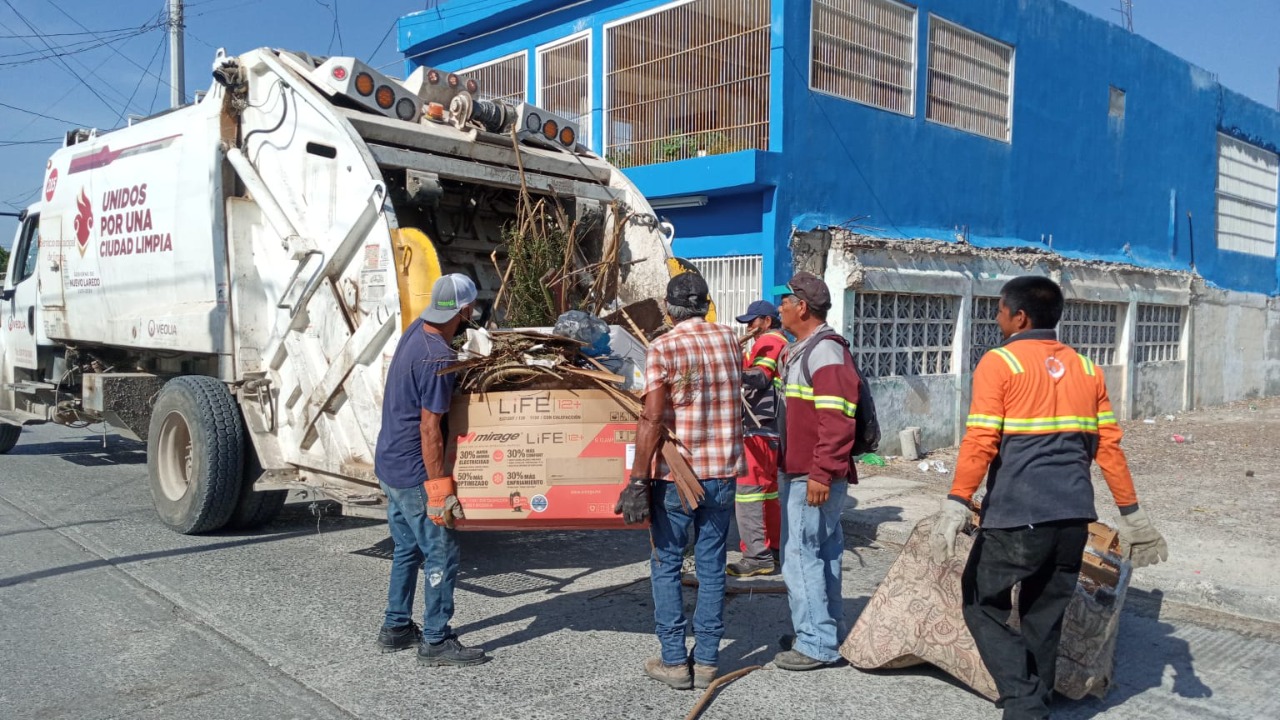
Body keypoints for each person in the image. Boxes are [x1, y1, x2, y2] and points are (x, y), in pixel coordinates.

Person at [930, 275, 1169, 719]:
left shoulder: (1000, 363)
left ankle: (1023, 701)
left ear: (1020, 316)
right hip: (1074, 518)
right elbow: (1109, 448)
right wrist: (1132, 516)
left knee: (980, 603)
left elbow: (981, 438)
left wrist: (956, 501)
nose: (997, 317)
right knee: (1043, 619)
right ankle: (1035, 702)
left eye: (1000, 310)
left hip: (1018, 516)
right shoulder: (1086, 368)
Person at [614, 272, 745, 691]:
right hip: (723, 473)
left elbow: (652, 417)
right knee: (712, 568)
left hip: (677, 476)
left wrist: (637, 481)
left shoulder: (663, 347)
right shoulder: (729, 340)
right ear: (706, 304)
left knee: (667, 564)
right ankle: (706, 660)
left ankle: (674, 661)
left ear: (669, 309)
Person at [373, 273, 490, 667]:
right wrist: (439, 488)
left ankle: (396, 627)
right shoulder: (438, 358)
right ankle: (436, 640)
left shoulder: (415, 333)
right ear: (465, 310)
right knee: (441, 551)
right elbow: (430, 429)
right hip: (412, 471)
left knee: (406, 547)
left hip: (388, 462)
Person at [772, 272, 861, 671]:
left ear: (802, 307)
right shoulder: (804, 349)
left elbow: (838, 419)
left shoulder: (824, 351)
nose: (780, 308)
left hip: (812, 474)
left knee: (801, 556)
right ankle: (827, 631)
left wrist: (822, 473)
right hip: (808, 471)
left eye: (785, 301)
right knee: (823, 553)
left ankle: (816, 643)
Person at [727, 300, 787, 577]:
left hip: (758, 427)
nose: (748, 327)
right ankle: (773, 549)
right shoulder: (774, 342)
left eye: (752, 321)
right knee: (768, 492)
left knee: (748, 492)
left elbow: (760, 378)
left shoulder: (770, 341)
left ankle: (756, 556)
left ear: (765, 320)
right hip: (770, 428)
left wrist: (725, 367)